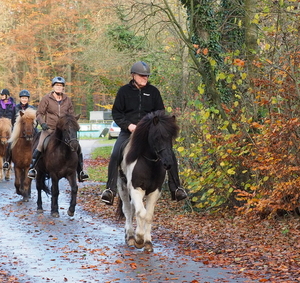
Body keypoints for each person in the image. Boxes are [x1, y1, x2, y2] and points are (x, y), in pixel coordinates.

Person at [100, 61, 187, 205]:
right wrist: (128, 125)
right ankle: (110, 190)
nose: (145, 78)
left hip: (149, 133)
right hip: (129, 132)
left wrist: (154, 125)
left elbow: (160, 112)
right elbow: (117, 113)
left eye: (146, 76)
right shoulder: (124, 92)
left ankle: (176, 188)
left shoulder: (153, 92)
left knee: (169, 153)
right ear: (133, 75)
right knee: (116, 153)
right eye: (142, 75)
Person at [27, 77, 89, 182]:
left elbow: (71, 115)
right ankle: (32, 169)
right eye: (57, 85)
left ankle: (81, 172)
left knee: (77, 146)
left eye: (61, 86)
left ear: (63, 88)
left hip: (63, 131)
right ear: (53, 86)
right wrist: (42, 124)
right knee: (41, 145)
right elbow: (39, 114)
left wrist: (73, 122)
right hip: (49, 129)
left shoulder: (67, 100)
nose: (59, 87)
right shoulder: (46, 99)